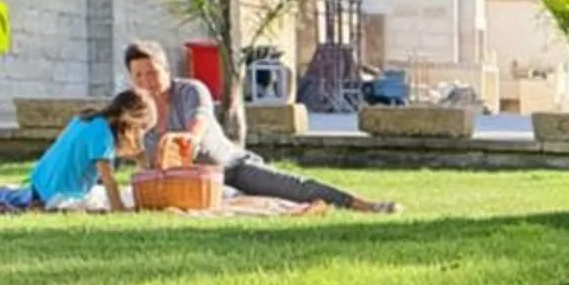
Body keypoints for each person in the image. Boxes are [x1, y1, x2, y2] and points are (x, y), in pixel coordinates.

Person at [122, 43, 397, 214]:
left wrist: (188, 139)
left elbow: (201, 119)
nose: (147, 81)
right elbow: (129, 148)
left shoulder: (191, 90)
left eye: (152, 72)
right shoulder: (134, 108)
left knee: (295, 187)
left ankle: (365, 205)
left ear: (167, 70)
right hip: (187, 186)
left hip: (231, 168)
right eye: (139, 75)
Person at [0, 88, 154, 211]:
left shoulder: (88, 119)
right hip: (61, 196)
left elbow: (85, 151)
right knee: (114, 196)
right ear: (131, 121)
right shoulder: (103, 135)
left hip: (41, 184)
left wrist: (136, 156)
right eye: (141, 128)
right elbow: (109, 179)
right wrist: (119, 209)